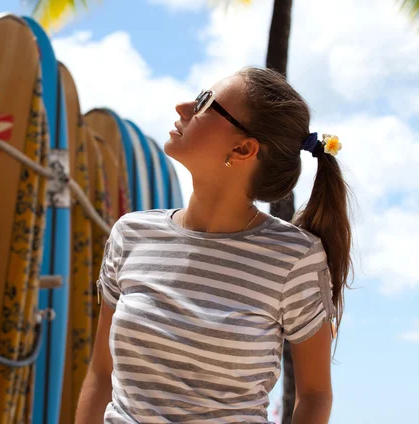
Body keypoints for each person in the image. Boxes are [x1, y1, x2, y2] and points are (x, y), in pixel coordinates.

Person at [76, 66, 354, 424]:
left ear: (243, 148)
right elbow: (100, 374)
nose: (183, 107)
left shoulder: (295, 258)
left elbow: (315, 396)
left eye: (206, 102)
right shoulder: (130, 235)